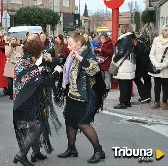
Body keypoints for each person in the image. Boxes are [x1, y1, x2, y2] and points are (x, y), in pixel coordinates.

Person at [55, 33, 107, 163]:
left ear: (78, 44)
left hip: (85, 96)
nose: (68, 46)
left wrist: (79, 58)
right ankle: (71, 148)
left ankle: (99, 150)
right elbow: (66, 68)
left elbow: (94, 70)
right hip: (72, 95)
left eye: (70, 43)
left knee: (83, 124)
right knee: (70, 122)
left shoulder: (88, 54)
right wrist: (52, 61)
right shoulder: (72, 54)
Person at [13, 39, 62, 166]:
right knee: (37, 127)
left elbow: (35, 75)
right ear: (37, 51)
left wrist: (42, 68)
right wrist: (57, 71)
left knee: (35, 125)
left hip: (23, 100)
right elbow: (43, 83)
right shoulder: (29, 66)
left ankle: (36, 152)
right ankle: (21, 154)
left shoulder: (23, 62)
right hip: (27, 102)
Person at [111, 24, 136, 109]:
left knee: (123, 85)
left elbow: (121, 52)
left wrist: (114, 59)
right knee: (128, 84)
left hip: (123, 64)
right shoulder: (131, 38)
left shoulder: (124, 39)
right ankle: (127, 101)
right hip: (130, 63)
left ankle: (123, 102)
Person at [134, 23, 155, 104]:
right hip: (150, 62)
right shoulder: (154, 39)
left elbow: (138, 52)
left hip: (141, 63)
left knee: (136, 78)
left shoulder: (141, 40)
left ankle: (144, 96)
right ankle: (148, 96)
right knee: (147, 79)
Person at [148, 24, 168, 110]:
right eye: (166, 30)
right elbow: (152, 53)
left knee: (165, 85)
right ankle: (156, 101)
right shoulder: (156, 40)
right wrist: (156, 64)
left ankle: (165, 101)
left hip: (166, 67)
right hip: (157, 66)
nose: (167, 32)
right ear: (162, 31)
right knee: (157, 85)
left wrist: (164, 65)